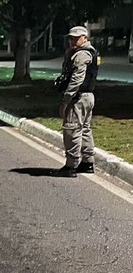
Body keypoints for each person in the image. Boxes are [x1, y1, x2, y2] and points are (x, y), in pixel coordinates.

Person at [56, 25, 98, 177]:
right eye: (71, 38)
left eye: (76, 37)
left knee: (72, 129)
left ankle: (71, 165)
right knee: (84, 129)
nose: (72, 40)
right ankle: (87, 162)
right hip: (87, 96)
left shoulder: (81, 55)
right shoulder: (87, 52)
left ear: (85, 38)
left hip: (78, 97)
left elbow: (77, 79)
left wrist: (66, 100)